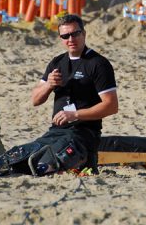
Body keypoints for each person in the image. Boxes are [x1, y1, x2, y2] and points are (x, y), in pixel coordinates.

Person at [30, 14, 119, 173]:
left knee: (49, 164)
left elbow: (111, 106)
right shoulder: (57, 62)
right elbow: (35, 100)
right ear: (60, 38)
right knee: (28, 156)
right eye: (65, 36)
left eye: (75, 33)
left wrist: (75, 115)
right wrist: (49, 85)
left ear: (84, 34)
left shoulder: (98, 64)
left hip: (84, 133)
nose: (70, 39)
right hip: (56, 132)